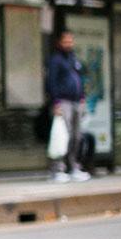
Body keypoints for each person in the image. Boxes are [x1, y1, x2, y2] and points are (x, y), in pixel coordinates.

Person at [46, 29, 90, 182]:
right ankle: (58, 169)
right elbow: (51, 82)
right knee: (63, 135)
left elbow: (80, 78)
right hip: (63, 102)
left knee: (76, 136)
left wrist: (82, 97)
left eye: (71, 41)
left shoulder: (73, 58)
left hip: (77, 101)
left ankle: (73, 167)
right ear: (60, 42)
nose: (69, 43)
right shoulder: (56, 60)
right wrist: (56, 102)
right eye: (66, 41)